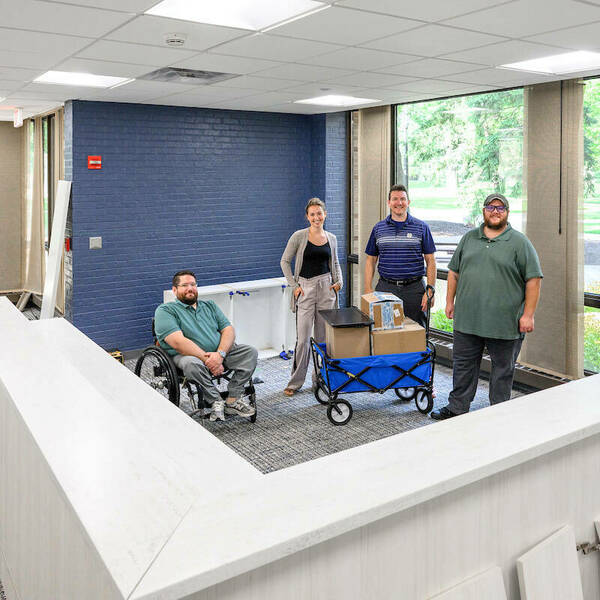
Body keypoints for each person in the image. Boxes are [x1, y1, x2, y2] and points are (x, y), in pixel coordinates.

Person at [430, 193, 543, 420]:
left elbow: (534, 280)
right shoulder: (469, 239)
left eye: (500, 208)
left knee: (503, 371)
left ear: (507, 213)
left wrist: (528, 315)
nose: (495, 211)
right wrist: (449, 302)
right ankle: (457, 408)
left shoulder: (520, 243)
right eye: (491, 207)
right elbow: (454, 272)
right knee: (462, 367)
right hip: (467, 320)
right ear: (483, 211)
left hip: (505, 323)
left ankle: (499, 413)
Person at [154, 270, 257, 422]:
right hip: (186, 356)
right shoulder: (165, 311)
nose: (190, 288)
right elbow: (178, 342)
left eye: (193, 284)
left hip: (218, 355)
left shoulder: (209, 305)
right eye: (184, 285)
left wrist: (220, 354)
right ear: (174, 290)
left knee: (250, 352)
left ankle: (232, 399)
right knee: (192, 364)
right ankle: (215, 400)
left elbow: (228, 330)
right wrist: (209, 359)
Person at [280, 198, 343, 396]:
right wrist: (294, 286)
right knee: (303, 339)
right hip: (305, 289)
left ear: (325, 214)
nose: (316, 217)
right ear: (307, 217)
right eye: (312, 214)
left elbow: (336, 263)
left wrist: (339, 282)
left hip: (326, 289)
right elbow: (284, 261)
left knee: (323, 339)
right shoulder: (299, 236)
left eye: (319, 213)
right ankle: (295, 382)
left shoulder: (331, 238)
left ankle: (320, 379)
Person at [364, 184, 437, 327]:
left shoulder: (421, 227)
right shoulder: (378, 228)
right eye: (395, 199)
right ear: (389, 203)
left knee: (417, 333)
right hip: (386, 288)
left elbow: (431, 261)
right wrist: (368, 289)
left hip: (414, 290)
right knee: (385, 333)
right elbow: (370, 260)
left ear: (408, 202)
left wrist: (430, 289)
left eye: (403, 199)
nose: (399, 203)